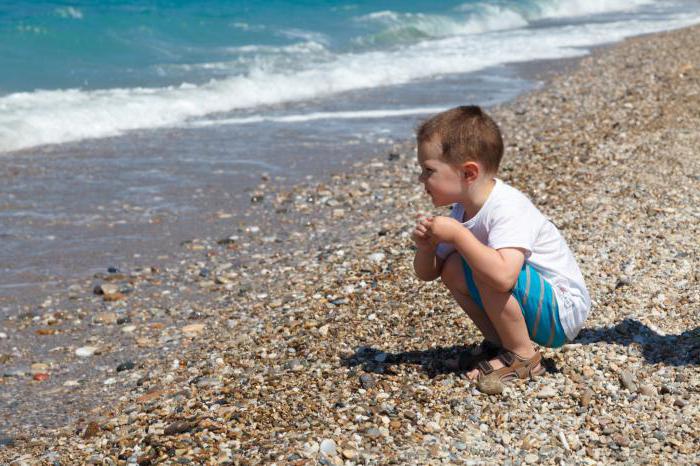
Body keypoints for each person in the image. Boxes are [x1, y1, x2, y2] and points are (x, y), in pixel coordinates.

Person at [411, 106, 590, 394]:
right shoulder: (460, 211)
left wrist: (457, 235)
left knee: (484, 263)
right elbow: (427, 273)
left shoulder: (506, 206)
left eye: (428, 170)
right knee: (455, 266)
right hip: (535, 305)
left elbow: (505, 277)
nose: (421, 179)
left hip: (561, 311)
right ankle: (501, 344)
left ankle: (523, 356)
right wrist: (426, 247)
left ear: (468, 172)